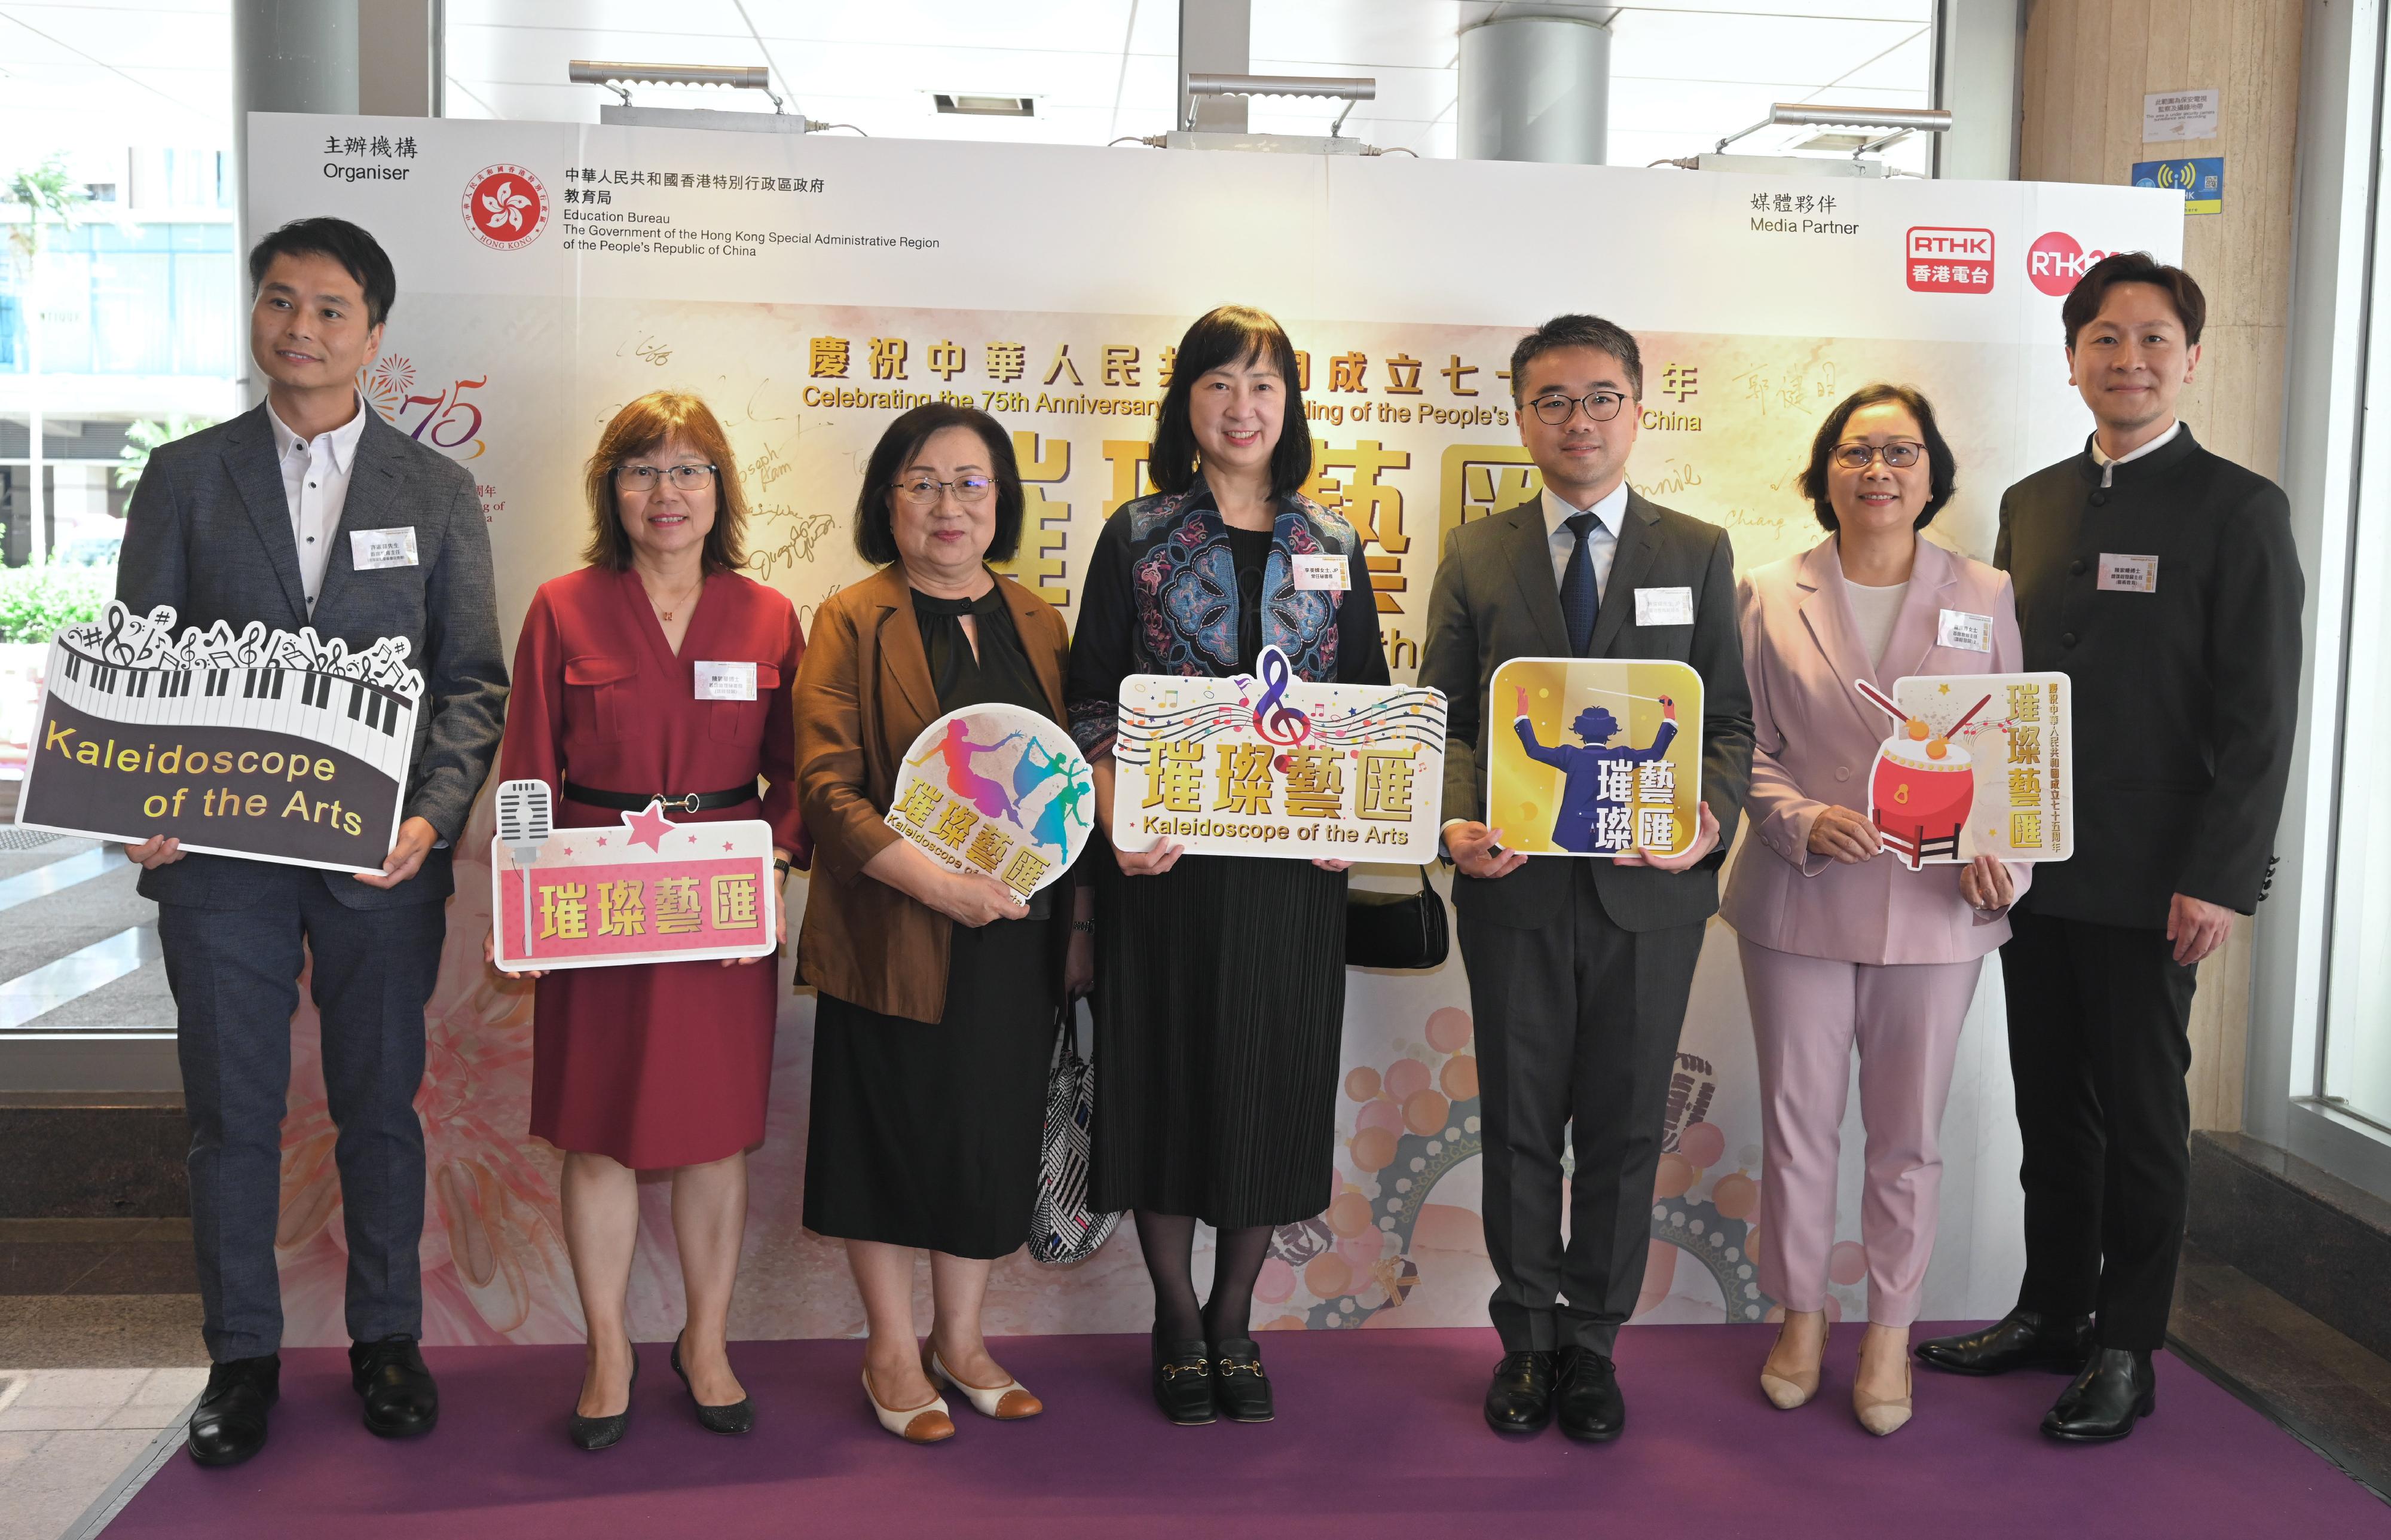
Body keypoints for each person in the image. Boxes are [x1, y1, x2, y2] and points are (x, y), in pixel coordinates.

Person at [116, 216, 507, 1467]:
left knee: (378, 1106)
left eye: (331, 308)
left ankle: (385, 1338)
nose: (300, 326)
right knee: (230, 1113)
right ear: (255, 317)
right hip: (219, 860)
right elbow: (142, 663)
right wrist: (143, 788)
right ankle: (239, 1358)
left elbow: (471, 682)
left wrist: (434, 813)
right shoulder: (184, 476)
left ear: (374, 334)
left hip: (375, 859)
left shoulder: (435, 490)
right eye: (279, 301)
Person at [1912, 255, 2305, 1441]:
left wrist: (2221, 878)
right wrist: (1974, 823)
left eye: (2150, 340)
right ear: (2071, 356)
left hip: (2156, 877)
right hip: (2032, 863)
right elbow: (1989, 684)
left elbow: (2258, 714)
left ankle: (2126, 1344)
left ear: (2189, 357)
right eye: (2101, 339)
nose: (2125, 360)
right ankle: (2050, 1310)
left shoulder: (2237, 507)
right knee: (2051, 1104)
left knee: (2140, 1116)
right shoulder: (2029, 500)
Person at [1417, 313, 1753, 1443]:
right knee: (1517, 1122)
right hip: (1512, 886)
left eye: (1601, 396)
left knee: (1621, 1126)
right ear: (1520, 415)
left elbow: (1729, 719)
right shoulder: (1476, 552)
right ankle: (1526, 1341)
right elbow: (1450, 714)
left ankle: (1596, 1342)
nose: (1580, 420)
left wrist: (1702, 822)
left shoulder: (1697, 547)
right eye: (1553, 400)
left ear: (1639, 408)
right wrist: (1458, 819)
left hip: (1647, 895)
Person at [1066, 304, 1387, 1427]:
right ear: (1186, 405)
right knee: (1161, 1074)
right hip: (1163, 867)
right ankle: (1172, 1315)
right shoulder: (1140, 534)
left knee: (1269, 1080)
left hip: (1293, 875)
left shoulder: (1334, 544)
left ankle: (1237, 1315)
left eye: (1262, 385)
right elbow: (1092, 695)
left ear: (1290, 405)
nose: (1241, 407)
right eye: (1217, 384)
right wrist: (1116, 813)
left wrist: (1359, 809)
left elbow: (1364, 703)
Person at [491, 390, 805, 1450]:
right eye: (641, 470)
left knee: (716, 1139)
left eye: (689, 470)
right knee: (599, 1134)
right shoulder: (563, 607)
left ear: (722, 490)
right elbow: (529, 768)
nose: (666, 492)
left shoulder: (767, 614)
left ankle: (706, 1341)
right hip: (594, 902)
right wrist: (526, 913)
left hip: (717, 907)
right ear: (609, 491)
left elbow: (799, 774)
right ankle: (609, 1347)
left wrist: (775, 858)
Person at [1720, 384, 2028, 1437]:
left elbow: (2015, 754)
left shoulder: (1985, 591)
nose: (1880, 470)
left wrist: (2005, 857)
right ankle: (1801, 1314)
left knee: (1908, 1136)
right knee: (1800, 1126)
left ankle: (1890, 1329)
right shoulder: (1767, 589)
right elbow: (1737, 744)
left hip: (1937, 907)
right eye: (1858, 451)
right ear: (1825, 472)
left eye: (1902, 451)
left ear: (1932, 474)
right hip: (1799, 895)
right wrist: (1797, 817)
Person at [795, 403, 1093, 1444]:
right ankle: (888, 1348)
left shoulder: (1042, 623)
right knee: (884, 1136)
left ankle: (960, 1341)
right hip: (890, 927)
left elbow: (1069, 796)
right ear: (890, 500)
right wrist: (940, 887)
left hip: (1018, 934)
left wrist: (1079, 917)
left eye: (972, 482)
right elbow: (824, 789)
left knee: (985, 1136)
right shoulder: (851, 616)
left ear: (1002, 501)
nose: (949, 504)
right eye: (923, 481)